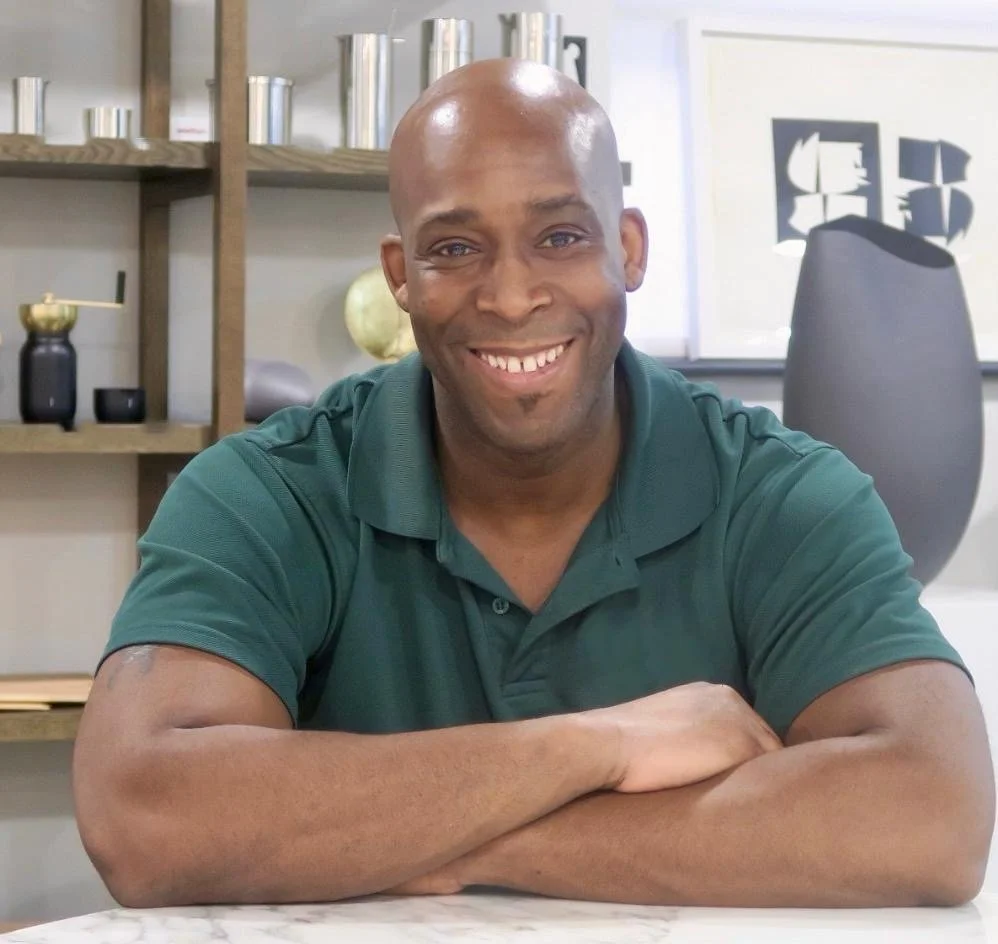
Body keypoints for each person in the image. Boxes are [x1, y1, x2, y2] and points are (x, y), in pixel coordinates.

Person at [73, 58, 994, 910]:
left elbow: (931, 817)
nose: (512, 297)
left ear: (628, 248)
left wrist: (461, 844)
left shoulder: (784, 497)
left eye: (560, 237)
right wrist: (599, 745)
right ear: (400, 275)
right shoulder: (266, 494)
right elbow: (144, 819)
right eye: (454, 248)